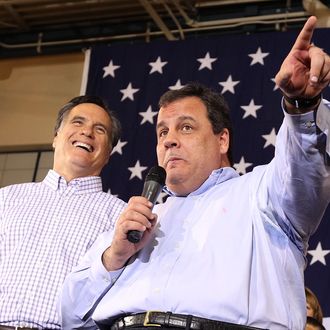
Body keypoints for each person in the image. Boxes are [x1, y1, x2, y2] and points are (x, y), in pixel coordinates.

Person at [60, 16, 330, 330]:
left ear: (222, 139)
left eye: (185, 127)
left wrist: (302, 104)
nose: (169, 139)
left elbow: (304, 166)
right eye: (162, 132)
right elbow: (70, 316)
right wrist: (114, 257)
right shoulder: (133, 224)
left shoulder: (263, 194)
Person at [0, 95, 126, 329]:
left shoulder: (121, 217)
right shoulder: (5, 198)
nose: (87, 132)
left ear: (108, 153)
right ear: (55, 137)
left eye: (99, 129)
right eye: (78, 122)